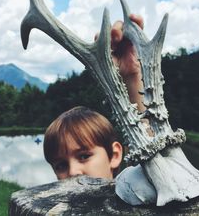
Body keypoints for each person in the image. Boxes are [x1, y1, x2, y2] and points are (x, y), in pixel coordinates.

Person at [44, 14, 145, 180]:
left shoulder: (134, 193)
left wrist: (132, 76)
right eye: (61, 165)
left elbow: (147, 154)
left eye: (84, 156)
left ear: (114, 156)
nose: (73, 172)